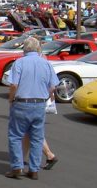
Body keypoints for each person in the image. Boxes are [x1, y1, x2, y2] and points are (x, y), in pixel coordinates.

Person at [5, 36, 59, 180]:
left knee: (15, 136)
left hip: (22, 102)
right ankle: (34, 170)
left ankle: (17, 167)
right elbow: (53, 86)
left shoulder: (19, 63)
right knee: (36, 137)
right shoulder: (46, 64)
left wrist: (11, 99)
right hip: (39, 103)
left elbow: (13, 85)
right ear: (38, 49)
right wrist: (45, 97)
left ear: (25, 49)